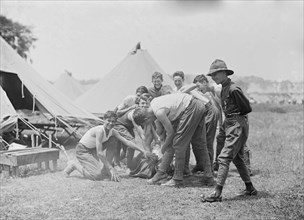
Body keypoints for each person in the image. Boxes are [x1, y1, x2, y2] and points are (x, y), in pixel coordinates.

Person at [201, 59, 257, 203]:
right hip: (230, 122)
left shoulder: (233, 89)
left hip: (237, 122)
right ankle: (250, 188)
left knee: (224, 158)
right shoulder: (223, 87)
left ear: (224, 73)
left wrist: (236, 121)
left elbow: (246, 109)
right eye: (211, 75)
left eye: (215, 74)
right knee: (237, 157)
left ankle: (217, 193)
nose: (213, 77)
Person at [133, 93, 214, 187]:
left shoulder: (159, 112)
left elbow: (170, 133)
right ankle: (209, 177)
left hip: (191, 107)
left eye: (146, 123)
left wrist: (163, 149)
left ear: (146, 118)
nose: (148, 124)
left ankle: (177, 179)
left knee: (178, 144)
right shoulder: (154, 103)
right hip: (196, 106)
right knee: (200, 144)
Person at [63, 111, 152, 181]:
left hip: (93, 149)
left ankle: (105, 169)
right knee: (96, 176)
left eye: (113, 121)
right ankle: (74, 165)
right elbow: (100, 153)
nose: (110, 123)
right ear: (104, 120)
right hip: (83, 150)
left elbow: (127, 142)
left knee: (114, 139)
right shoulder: (99, 131)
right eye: (108, 121)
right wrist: (111, 168)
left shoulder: (113, 131)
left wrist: (144, 151)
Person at [181, 74, 222, 173]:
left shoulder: (214, 89)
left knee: (207, 141)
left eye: (199, 86)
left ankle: (208, 167)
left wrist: (220, 123)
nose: (198, 89)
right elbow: (184, 91)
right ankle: (200, 165)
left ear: (205, 83)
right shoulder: (198, 91)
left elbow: (217, 108)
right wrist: (195, 86)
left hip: (210, 112)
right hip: (201, 114)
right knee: (197, 140)